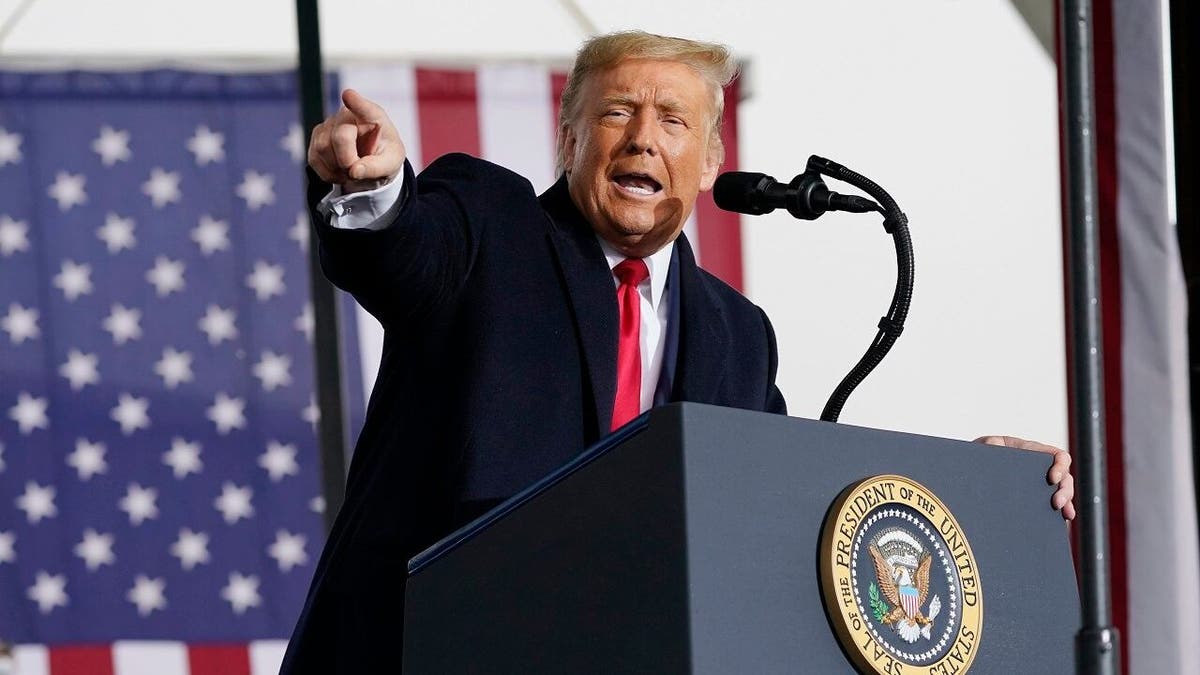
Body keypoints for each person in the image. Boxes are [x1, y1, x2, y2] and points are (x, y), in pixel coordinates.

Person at [281, 30, 1074, 673]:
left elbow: (790, 511)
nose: (643, 139)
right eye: (619, 112)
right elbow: (401, 249)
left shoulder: (737, 333)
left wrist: (975, 488)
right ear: (570, 137)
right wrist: (375, 190)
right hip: (431, 650)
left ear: (712, 160)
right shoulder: (490, 225)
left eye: (673, 120)